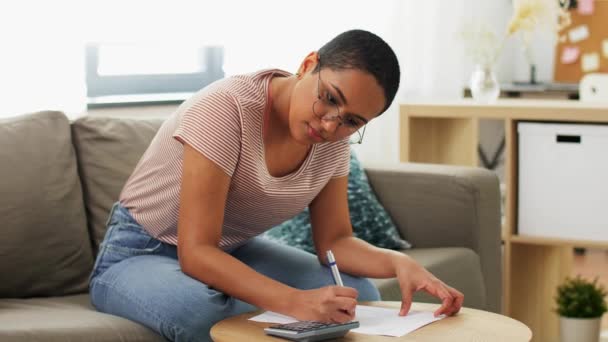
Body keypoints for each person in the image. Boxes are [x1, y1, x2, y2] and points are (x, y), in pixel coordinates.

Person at [89, 29, 464, 342]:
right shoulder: (227, 108)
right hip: (141, 252)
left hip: (234, 249)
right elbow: (196, 251)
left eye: (351, 121)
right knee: (204, 312)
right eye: (330, 99)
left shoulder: (332, 143)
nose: (332, 125)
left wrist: (398, 261)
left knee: (357, 297)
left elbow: (335, 242)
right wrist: (294, 302)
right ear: (307, 64)